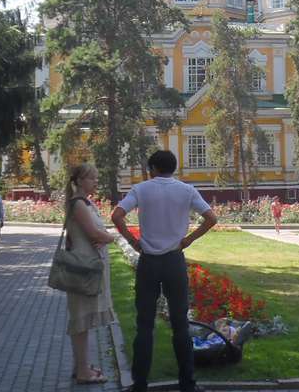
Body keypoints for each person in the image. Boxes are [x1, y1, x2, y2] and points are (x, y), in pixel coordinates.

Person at [111, 150, 218, 392]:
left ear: (153, 168)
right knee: (180, 324)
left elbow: (116, 215)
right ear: (173, 167)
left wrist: (132, 241)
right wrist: (188, 240)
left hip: (148, 261)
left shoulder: (141, 189)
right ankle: (187, 384)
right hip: (174, 261)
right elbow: (211, 218)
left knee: (144, 325)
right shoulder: (186, 190)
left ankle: (140, 384)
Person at [62, 164, 117, 384]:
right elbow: (94, 233)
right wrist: (111, 237)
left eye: (96, 177)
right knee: (81, 318)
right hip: (84, 267)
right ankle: (83, 372)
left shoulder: (84, 203)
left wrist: (102, 236)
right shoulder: (78, 204)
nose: (96, 181)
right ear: (80, 180)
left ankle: (80, 366)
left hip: (88, 266)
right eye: (92, 178)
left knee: (82, 317)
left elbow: (94, 234)